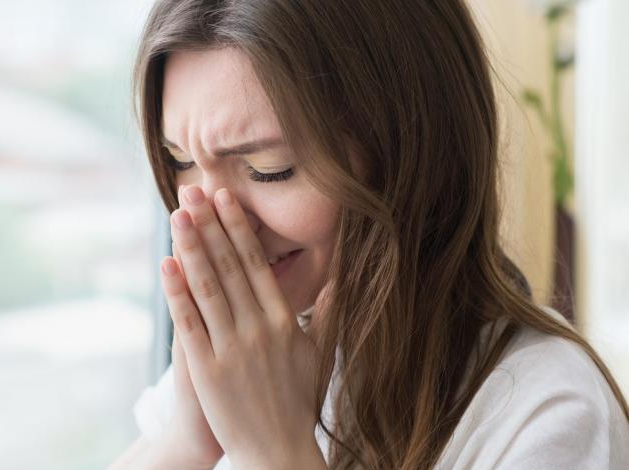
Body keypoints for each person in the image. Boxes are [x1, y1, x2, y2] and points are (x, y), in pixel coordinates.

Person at [109, 0, 629, 469]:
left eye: (270, 168)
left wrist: (274, 452)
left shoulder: (548, 412)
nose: (209, 220)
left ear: (411, 152)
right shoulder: (262, 351)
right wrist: (190, 441)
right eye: (180, 161)